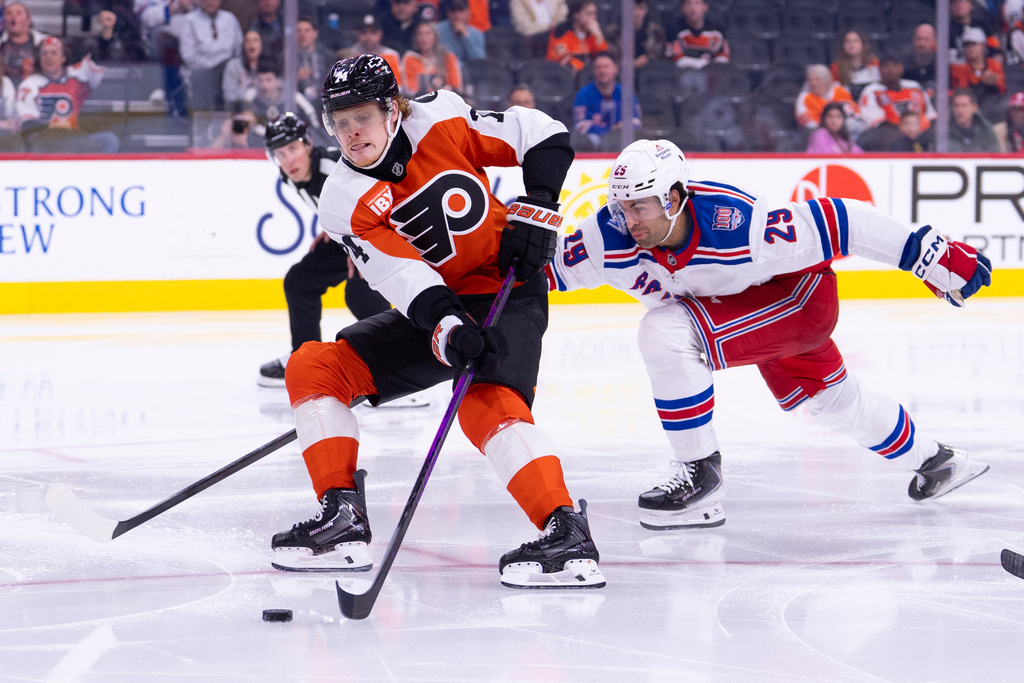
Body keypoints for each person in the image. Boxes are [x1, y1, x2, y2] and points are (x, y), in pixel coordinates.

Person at [272, 54, 605, 589]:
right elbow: (401, 276)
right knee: (314, 367)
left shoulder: (442, 116)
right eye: (340, 122)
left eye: (362, 116)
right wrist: (447, 325)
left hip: (508, 286)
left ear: (393, 108)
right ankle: (343, 519)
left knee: (486, 400)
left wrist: (537, 208)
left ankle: (566, 532)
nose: (352, 133)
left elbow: (542, 132)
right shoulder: (340, 200)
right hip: (436, 306)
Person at [546, 138, 993, 530]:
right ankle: (937, 462)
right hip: (748, 312)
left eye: (638, 207)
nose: (628, 220)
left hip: (798, 301)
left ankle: (700, 474)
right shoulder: (606, 236)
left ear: (675, 198)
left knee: (666, 331)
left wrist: (927, 253)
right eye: (621, 206)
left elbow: (843, 220)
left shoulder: (739, 224)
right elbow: (539, 273)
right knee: (828, 400)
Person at [256, 112, 405, 394]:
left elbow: (380, 197)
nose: (287, 160)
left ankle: (392, 370)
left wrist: (359, 241)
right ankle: (304, 359)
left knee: (359, 294)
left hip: (378, 232)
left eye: (292, 149)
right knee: (299, 282)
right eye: (279, 153)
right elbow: (336, 205)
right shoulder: (290, 177)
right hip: (347, 234)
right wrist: (333, 226)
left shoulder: (332, 165)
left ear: (308, 144)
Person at [15, 36, 119, 153]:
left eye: (54, 52)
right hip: (45, 140)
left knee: (109, 140)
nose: (49, 56)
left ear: (63, 58)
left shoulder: (77, 75)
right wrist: (55, 128)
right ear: (39, 58)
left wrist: (105, 36)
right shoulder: (29, 84)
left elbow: (100, 60)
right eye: (44, 53)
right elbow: (28, 124)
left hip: (75, 137)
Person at [857, 53, 936, 151]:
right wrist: (905, 130)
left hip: (922, 133)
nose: (890, 69)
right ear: (879, 69)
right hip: (892, 137)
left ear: (901, 68)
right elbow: (877, 122)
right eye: (885, 66)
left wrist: (920, 129)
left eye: (894, 65)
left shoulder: (914, 86)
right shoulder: (871, 91)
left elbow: (930, 113)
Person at [571, 51, 641, 151]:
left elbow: (637, 122)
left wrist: (624, 127)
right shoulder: (584, 94)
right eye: (598, 67)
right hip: (595, 142)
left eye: (606, 66)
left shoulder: (626, 93)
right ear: (594, 71)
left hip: (622, 140)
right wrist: (610, 131)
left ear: (615, 70)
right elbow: (580, 126)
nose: (602, 71)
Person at [401, 21, 463, 96]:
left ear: (435, 36)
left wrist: (443, 91)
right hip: (420, 102)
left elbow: (456, 86)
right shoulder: (410, 58)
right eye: (420, 34)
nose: (424, 38)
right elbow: (410, 90)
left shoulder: (448, 58)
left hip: (446, 101)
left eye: (428, 33)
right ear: (415, 37)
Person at [341, 15, 403, 91]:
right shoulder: (349, 56)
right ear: (358, 34)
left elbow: (398, 87)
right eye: (364, 32)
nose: (368, 36)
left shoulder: (391, 55)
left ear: (380, 34)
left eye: (373, 32)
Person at [950, 27, 1005, 109]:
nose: (970, 48)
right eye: (967, 45)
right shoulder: (958, 68)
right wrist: (982, 84)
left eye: (974, 44)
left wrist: (994, 84)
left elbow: (1003, 91)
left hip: (994, 107)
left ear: (983, 46)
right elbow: (963, 94)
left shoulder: (995, 65)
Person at [547, 0, 608, 72]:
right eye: (589, 14)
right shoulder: (562, 31)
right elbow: (563, 61)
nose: (593, 18)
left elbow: (605, 58)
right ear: (576, 15)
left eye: (594, 13)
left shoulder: (594, 33)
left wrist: (598, 36)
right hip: (565, 76)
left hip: (592, 76)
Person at [666, 0, 729, 69]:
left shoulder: (717, 30)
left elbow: (723, 58)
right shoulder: (673, 29)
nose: (693, 8)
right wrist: (703, 64)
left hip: (712, 75)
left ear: (705, 6)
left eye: (697, 3)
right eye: (688, 3)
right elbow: (677, 59)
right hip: (683, 75)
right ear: (683, 8)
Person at [794, 63, 856, 130]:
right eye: (810, 80)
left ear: (827, 80)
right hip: (820, 134)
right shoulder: (804, 98)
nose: (814, 83)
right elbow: (808, 125)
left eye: (818, 80)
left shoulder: (841, 91)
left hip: (846, 131)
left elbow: (854, 115)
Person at [0, 1, 47, 86]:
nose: (13, 17)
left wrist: (38, 70)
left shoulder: (44, 43)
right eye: (8, 13)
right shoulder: (1, 44)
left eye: (18, 13)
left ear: (28, 19)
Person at [830, 30, 879, 101]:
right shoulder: (836, 67)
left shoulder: (875, 63)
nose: (851, 44)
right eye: (847, 41)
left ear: (863, 44)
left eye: (855, 41)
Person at [295, 16, 333, 106]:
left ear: (315, 33)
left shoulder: (328, 56)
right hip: (298, 103)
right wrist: (295, 78)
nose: (303, 34)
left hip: (325, 101)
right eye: (298, 31)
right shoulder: (286, 58)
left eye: (307, 30)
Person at [947, 87, 1000, 152]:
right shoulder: (944, 132)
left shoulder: (986, 130)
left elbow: (995, 155)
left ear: (974, 107)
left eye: (964, 106)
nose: (960, 111)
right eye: (956, 106)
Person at [437, 0, 486, 64]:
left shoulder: (476, 33)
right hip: (444, 68)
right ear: (448, 13)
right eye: (453, 10)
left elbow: (480, 61)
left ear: (468, 13)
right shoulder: (438, 29)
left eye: (461, 10)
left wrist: (466, 36)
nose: (456, 14)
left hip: (468, 71)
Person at [221, 29, 261, 107]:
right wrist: (244, 102)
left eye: (255, 40)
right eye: (247, 41)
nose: (251, 44)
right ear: (242, 45)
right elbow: (228, 96)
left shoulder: (269, 66)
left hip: (263, 110)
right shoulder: (233, 66)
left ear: (262, 45)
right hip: (239, 110)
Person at [902, 23, 937, 96]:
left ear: (934, 41)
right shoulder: (904, 62)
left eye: (926, 40)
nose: (922, 44)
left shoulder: (940, 62)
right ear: (913, 40)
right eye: (918, 39)